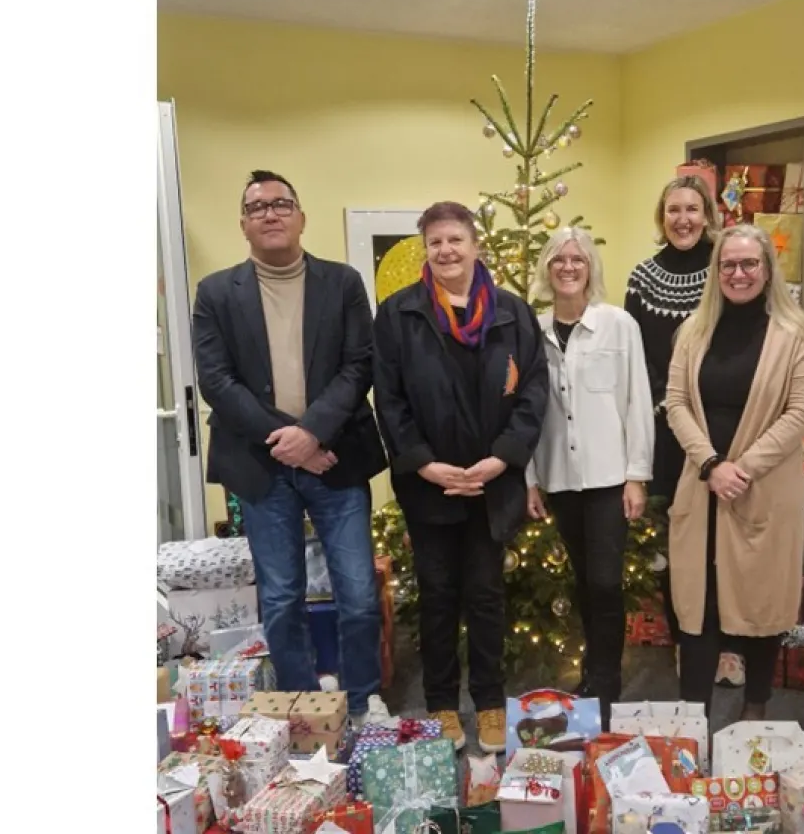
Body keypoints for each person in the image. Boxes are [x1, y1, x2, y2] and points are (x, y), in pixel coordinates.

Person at [191, 170, 389, 724]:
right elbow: (217, 381)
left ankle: (362, 698)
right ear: (243, 225)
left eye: (281, 204)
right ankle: (304, 708)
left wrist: (313, 433)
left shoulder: (343, 283)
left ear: (301, 217)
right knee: (281, 597)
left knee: (358, 592)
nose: (270, 214)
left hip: (336, 459)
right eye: (257, 208)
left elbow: (359, 365)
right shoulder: (215, 293)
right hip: (260, 466)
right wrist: (291, 441)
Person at [371, 201, 549, 752]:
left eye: (455, 240)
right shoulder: (399, 314)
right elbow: (389, 399)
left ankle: (491, 702)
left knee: (487, 596)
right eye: (435, 242)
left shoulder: (512, 314)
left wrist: (502, 458)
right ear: (425, 250)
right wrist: (424, 463)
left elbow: (533, 391)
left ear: (475, 245)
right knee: (438, 596)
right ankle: (442, 703)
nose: (446, 251)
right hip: (430, 484)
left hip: (491, 484)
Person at [662, 224, 804, 719]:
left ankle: (755, 711)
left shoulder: (797, 336)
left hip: (764, 491)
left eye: (749, 263)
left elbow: (801, 413)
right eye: (728, 264)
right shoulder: (693, 332)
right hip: (703, 488)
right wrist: (711, 465)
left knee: (760, 604)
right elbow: (675, 402)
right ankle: (693, 720)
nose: (738, 273)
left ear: (768, 269)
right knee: (699, 607)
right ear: (716, 272)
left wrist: (742, 469)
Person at [523, 227, 653, 724]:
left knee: (604, 582)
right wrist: (529, 478)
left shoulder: (618, 326)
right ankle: (593, 675)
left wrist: (636, 474)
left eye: (577, 259)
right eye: (559, 259)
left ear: (590, 267)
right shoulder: (531, 331)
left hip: (608, 478)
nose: (568, 267)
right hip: (559, 477)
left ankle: (606, 682)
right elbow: (524, 412)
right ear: (547, 268)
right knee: (582, 580)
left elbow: (637, 400)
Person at [624, 175, 740, 679]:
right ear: (662, 216)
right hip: (667, 431)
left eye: (692, 209)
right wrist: (671, 406)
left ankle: (729, 644)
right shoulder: (642, 278)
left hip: (725, 427)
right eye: (674, 210)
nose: (683, 219)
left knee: (728, 539)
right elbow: (636, 357)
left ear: (707, 215)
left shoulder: (728, 269)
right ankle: (686, 639)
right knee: (678, 542)